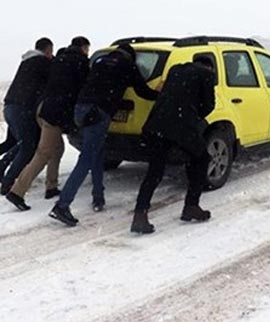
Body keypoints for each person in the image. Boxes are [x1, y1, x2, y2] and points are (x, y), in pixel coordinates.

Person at [50, 43, 159, 227]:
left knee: (98, 152)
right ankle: (62, 205)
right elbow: (142, 91)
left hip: (81, 109)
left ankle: (98, 197)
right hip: (98, 113)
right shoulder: (127, 65)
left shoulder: (100, 61)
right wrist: (160, 94)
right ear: (130, 56)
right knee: (86, 159)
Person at [131, 56, 216, 234]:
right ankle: (191, 206)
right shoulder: (206, 74)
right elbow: (208, 106)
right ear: (209, 67)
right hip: (182, 126)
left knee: (155, 171)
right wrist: (193, 116)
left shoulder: (175, 70)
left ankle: (140, 214)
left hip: (157, 124)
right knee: (201, 159)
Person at [6, 37, 91, 211]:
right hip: (55, 112)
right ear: (83, 48)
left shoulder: (58, 60)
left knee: (57, 148)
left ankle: (51, 186)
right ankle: (16, 192)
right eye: (87, 49)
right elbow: (82, 87)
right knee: (43, 153)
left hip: (43, 108)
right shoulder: (80, 62)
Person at [1, 38, 53, 195]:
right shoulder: (42, 62)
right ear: (47, 50)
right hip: (22, 109)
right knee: (28, 146)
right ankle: (8, 183)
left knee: (13, 142)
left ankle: (2, 166)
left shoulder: (27, 62)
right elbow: (55, 75)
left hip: (10, 106)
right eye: (51, 52)